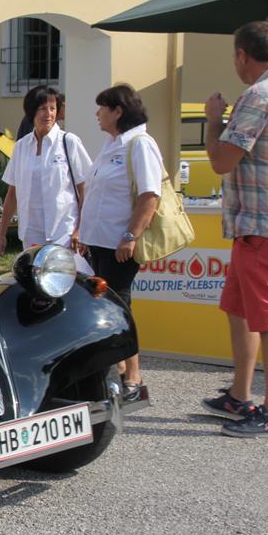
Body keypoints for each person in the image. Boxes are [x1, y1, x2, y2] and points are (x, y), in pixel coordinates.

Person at [200, 21, 268, 438]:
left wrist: (213, 120)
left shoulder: (260, 95)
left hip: (266, 224)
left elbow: (222, 161)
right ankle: (240, 395)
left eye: (234, 56)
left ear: (243, 55)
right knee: (240, 309)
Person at [78, 84, 163, 396]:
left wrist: (131, 236)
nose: (97, 114)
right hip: (98, 242)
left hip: (119, 244)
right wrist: (85, 236)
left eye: (102, 107)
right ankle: (121, 370)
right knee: (105, 306)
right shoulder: (112, 144)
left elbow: (149, 196)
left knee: (118, 309)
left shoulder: (139, 144)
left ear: (118, 111)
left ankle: (134, 379)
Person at [0, 85, 91, 264]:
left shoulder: (69, 142)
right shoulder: (21, 147)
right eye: (42, 109)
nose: (48, 114)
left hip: (64, 233)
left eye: (52, 108)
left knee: (63, 285)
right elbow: (12, 193)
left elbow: (84, 189)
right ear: (31, 112)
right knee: (36, 284)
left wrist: (80, 230)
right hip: (31, 233)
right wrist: (2, 234)